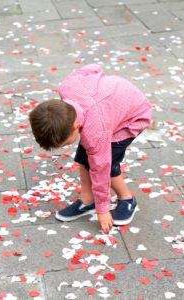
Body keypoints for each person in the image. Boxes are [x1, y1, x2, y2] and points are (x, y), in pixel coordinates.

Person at [29, 64, 152, 234]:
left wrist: (103, 209)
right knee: (83, 157)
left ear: (75, 125)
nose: (65, 146)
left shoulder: (96, 132)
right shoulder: (67, 87)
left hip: (132, 117)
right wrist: (102, 81)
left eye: (65, 143)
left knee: (107, 166)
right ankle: (88, 200)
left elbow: (101, 168)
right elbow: (93, 68)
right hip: (109, 103)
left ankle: (127, 198)